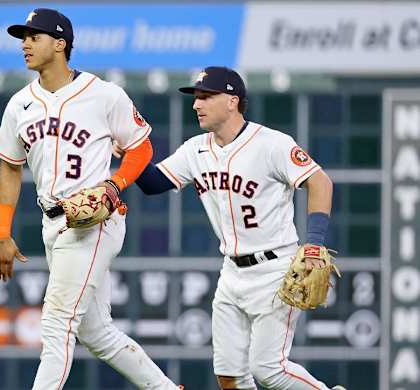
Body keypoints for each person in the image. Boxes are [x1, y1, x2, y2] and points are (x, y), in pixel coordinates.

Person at [0, 8, 182, 390]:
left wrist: (115, 185)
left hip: (94, 222)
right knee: (96, 332)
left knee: (57, 320)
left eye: (34, 36)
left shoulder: (103, 94)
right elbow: (11, 168)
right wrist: (1, 231)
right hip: (52, 221)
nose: (25, 44)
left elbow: (140, 148)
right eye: (22, 38)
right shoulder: (19, 104)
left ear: (60, 44)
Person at [128, 66, 346, 390]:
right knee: (229, 376)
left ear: (232, 101)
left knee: (269, 369)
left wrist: (314, 244)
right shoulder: (195, 149)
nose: (196, 105)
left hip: (275, 269)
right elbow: (152, 182)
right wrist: (125, 146)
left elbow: (319, 181)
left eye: (205, 97)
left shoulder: (271, 144)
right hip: (231, 273)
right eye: (196, 98)